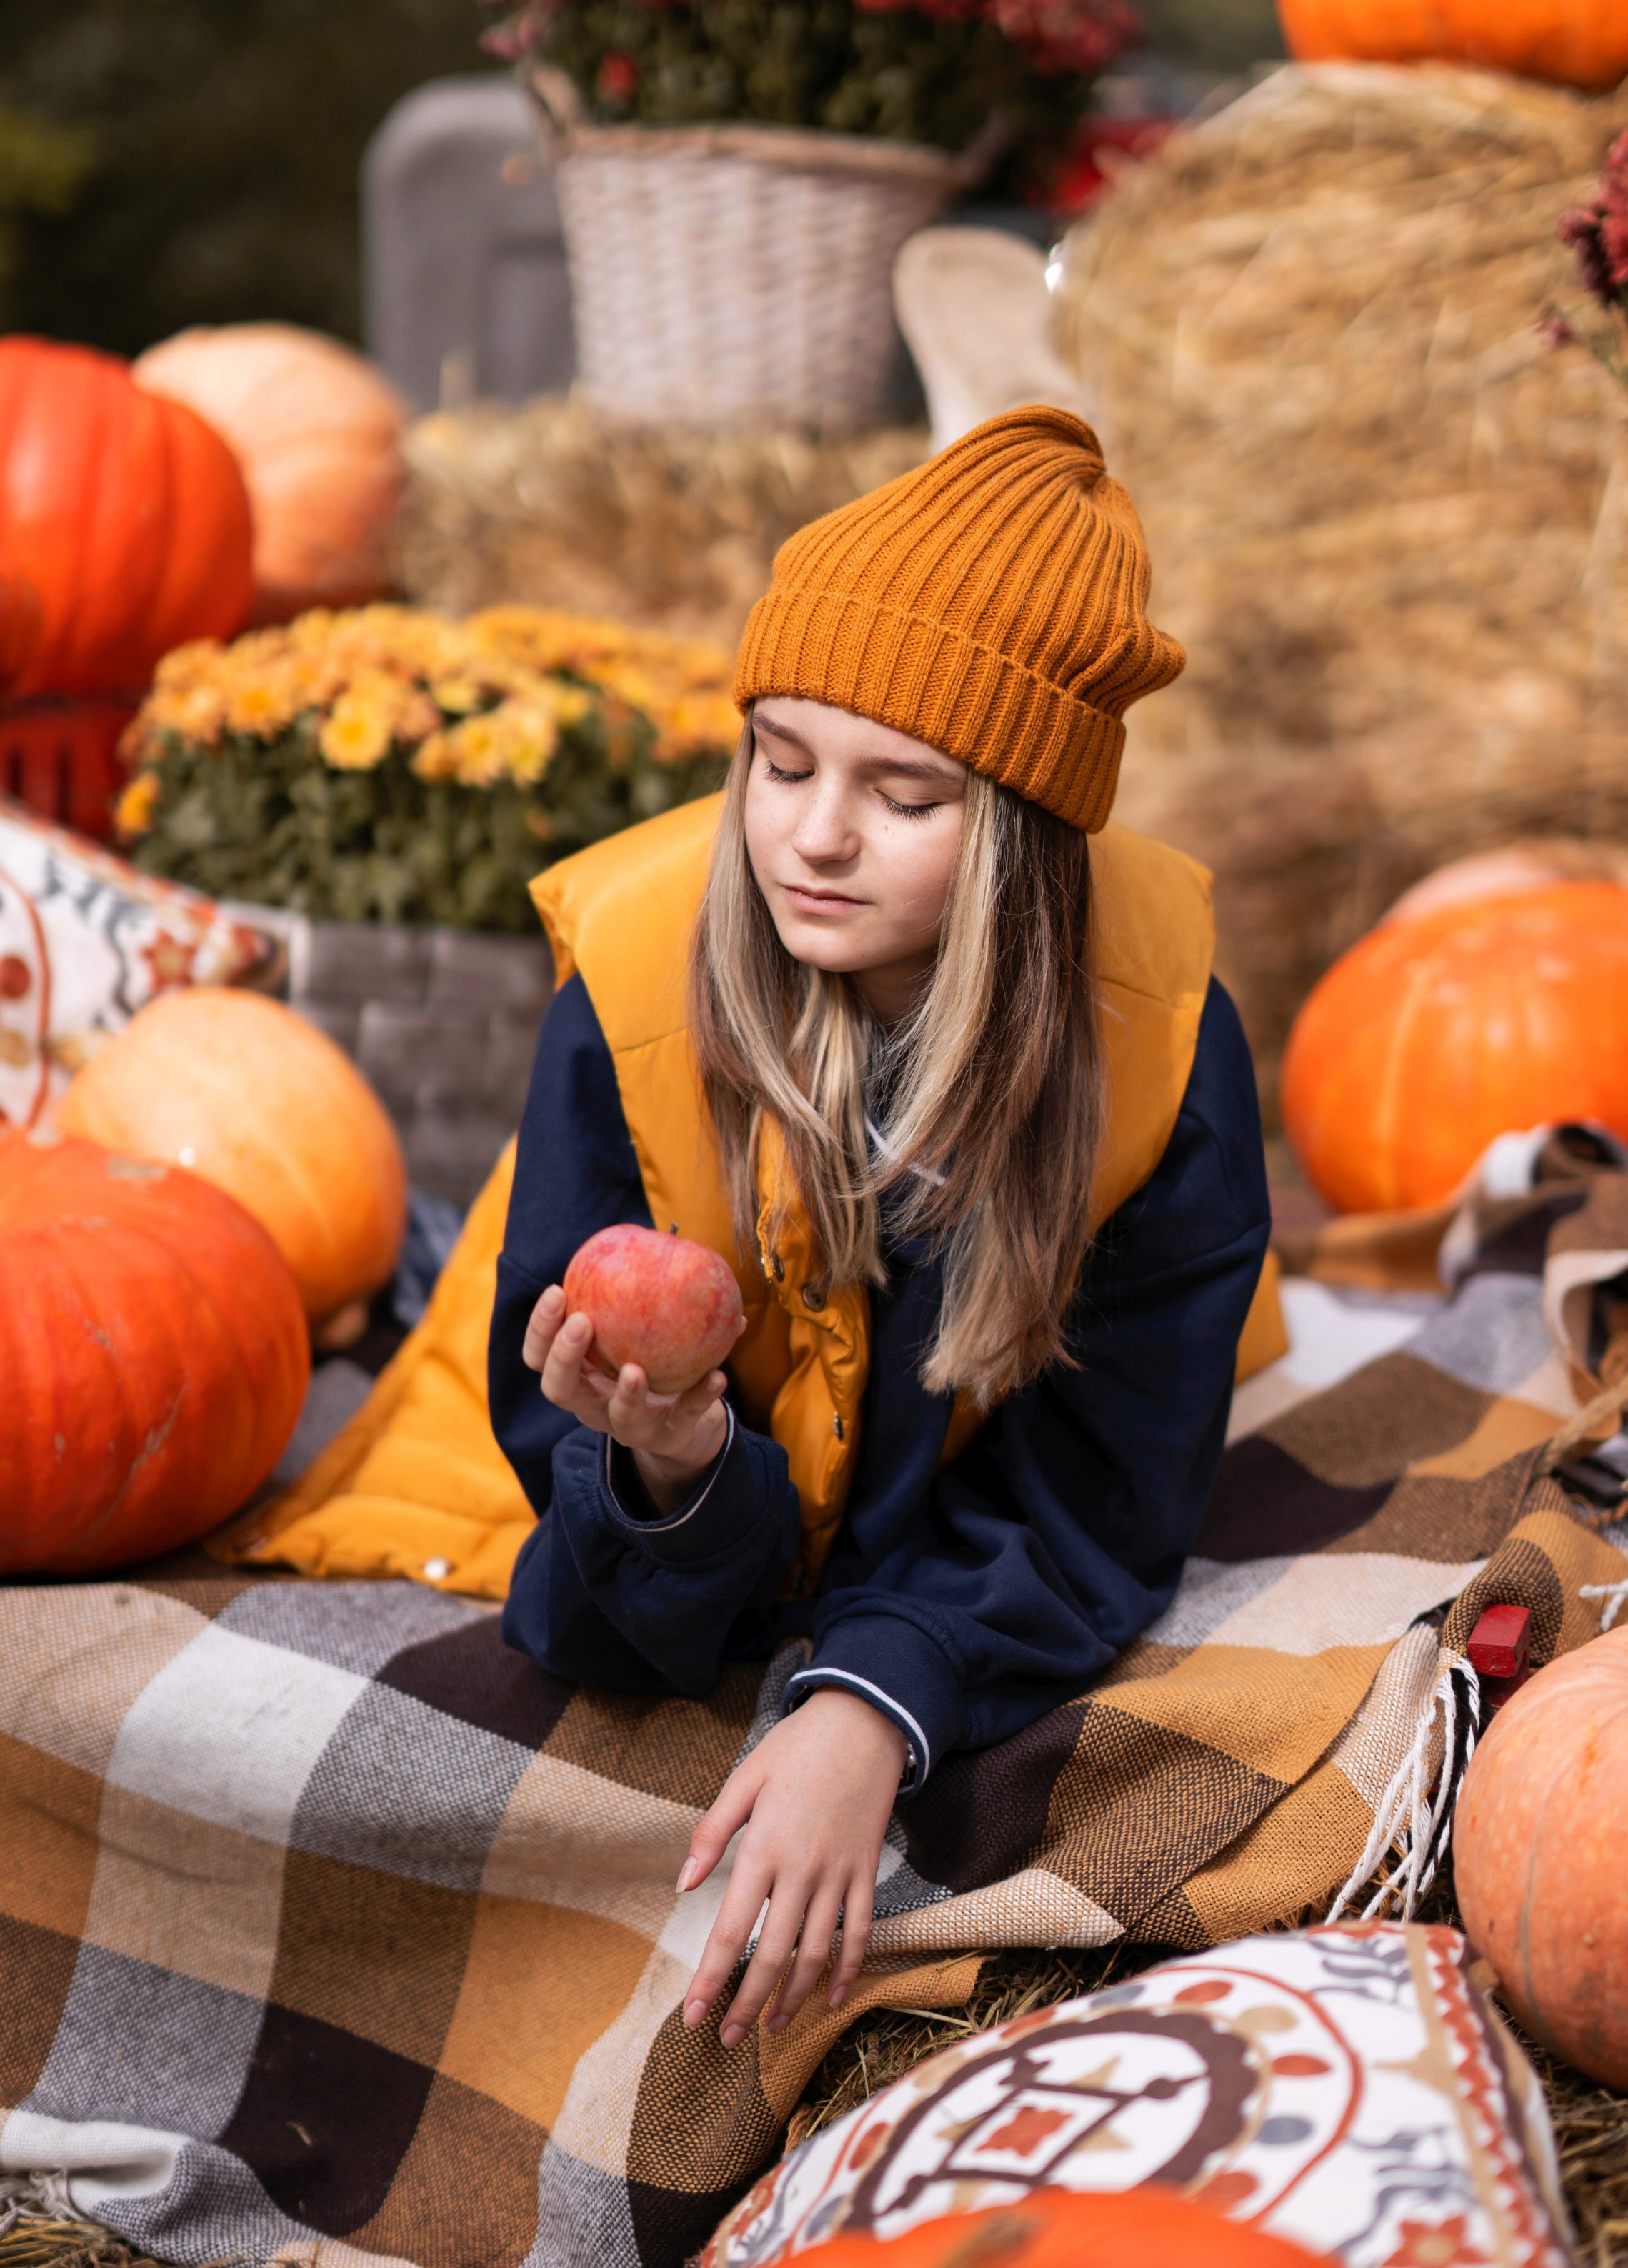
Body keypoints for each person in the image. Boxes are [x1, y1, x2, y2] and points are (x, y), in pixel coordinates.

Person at [488, 406, 1270, 2056]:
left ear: (1019, 840)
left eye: (900, 793)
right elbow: (542, 1444)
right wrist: (670, 1471)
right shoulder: (633, 990)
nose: (813, 834)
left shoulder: (1161, 1045)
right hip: (711, 1480)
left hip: (982, 1467)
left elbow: (1098, 1495)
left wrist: (875, 1697)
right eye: (779, 762)